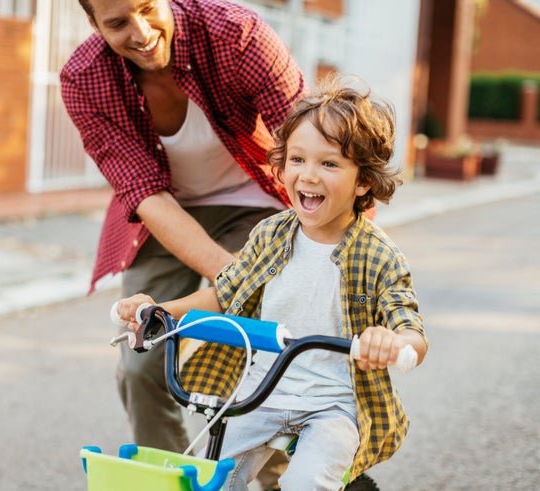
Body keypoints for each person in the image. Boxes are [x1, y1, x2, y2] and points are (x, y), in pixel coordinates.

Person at [114, 74, 429, 490]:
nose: (308, 175)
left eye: (329, 163)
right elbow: (227, 293)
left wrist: (392, 343)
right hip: (261, 390)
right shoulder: (271, 234)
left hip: (332, 404)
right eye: (297, 159)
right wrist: (160, 313)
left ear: (364, 181)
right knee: (215, 479)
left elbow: (412, 332)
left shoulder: (378, 256)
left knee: (306, 483)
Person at [60, 0, 304, 478]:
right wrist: (234, 276)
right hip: (164, 215)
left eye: (147, 8)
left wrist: (342, 247)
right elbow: (145, 194)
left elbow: (310, 146)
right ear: (93, 25)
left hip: (259, 203)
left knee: (251, 350)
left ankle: (280, 479)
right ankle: (180, 481)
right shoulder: (85, 77)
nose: (141, 31)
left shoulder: (238, 36)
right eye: (117, 23)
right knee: (141, 362)